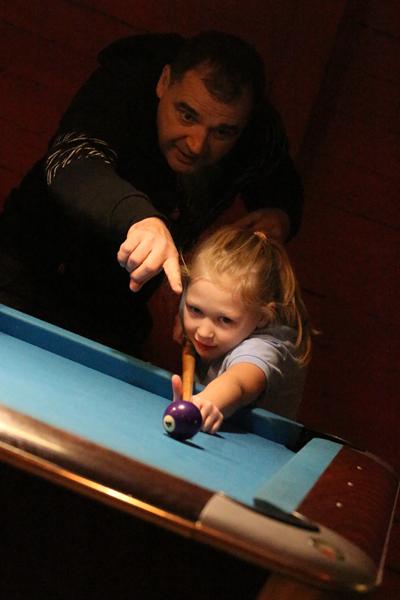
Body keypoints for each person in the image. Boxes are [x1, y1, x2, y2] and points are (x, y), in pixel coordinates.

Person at [0, 31, 302, 355]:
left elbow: (281, 185)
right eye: (187, 115)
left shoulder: (257, 135)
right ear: (164, 82)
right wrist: (141, 219)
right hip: (21, 268)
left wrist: (280, 216)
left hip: (112, 309)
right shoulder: (125, 83)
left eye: (222, 132)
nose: (196, 144)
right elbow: (71, 162)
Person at [172, 225, 313, 433]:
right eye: (195, 310)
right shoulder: (200, 301)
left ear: (262, 318)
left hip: (264, 447)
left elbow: (238, 381)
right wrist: (183, 320)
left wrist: (205, 402)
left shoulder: (265, 348)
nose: (203, 332)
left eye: (225, 320)